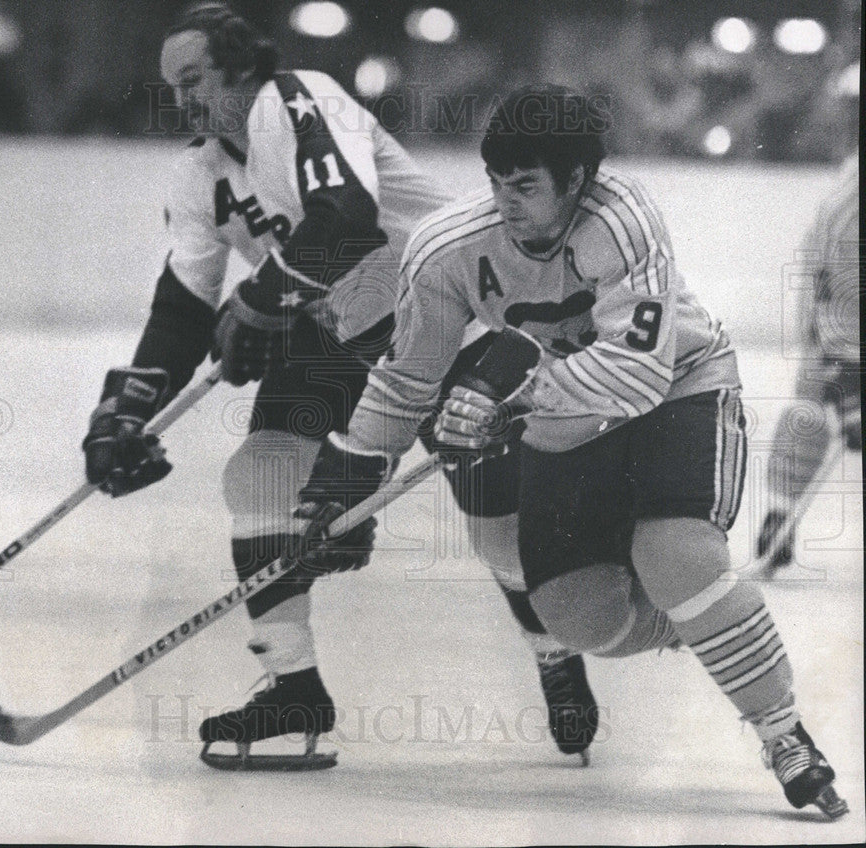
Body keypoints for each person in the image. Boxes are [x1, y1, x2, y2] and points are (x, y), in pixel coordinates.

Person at [296, 85, 849, 818]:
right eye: (496, 182)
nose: (505, 201)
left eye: (525, 185)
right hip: (564, 423)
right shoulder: (447, 248)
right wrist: (351, 473)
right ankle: (708, 619)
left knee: (677, 558)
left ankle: (782, 731)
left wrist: (511, 403)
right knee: (578, 618)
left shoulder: (623, 218)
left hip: (678, 392)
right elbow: (408, 378)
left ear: (578, 181)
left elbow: (637, 367)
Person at [81, 3, 598, 769]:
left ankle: (554, 653)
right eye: (172, 85)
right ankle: (294, 687)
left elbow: (347, 216)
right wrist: (122, 415)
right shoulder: (199, 174)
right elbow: (182, 311)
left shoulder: (298, 100)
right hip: (329, 320)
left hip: (437, 309)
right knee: (258, 474)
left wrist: (260, 300)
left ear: (240, 66)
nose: (181, 100)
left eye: (193, 80)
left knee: (495, 524)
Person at [756, 115, 859, 573]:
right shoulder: (849, 205)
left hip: (834, 340)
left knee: (809, 416)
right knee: (810, 417)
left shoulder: (847, 186)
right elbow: (828, 285)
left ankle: (779, 518)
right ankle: (780, 518)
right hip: (840, 343)